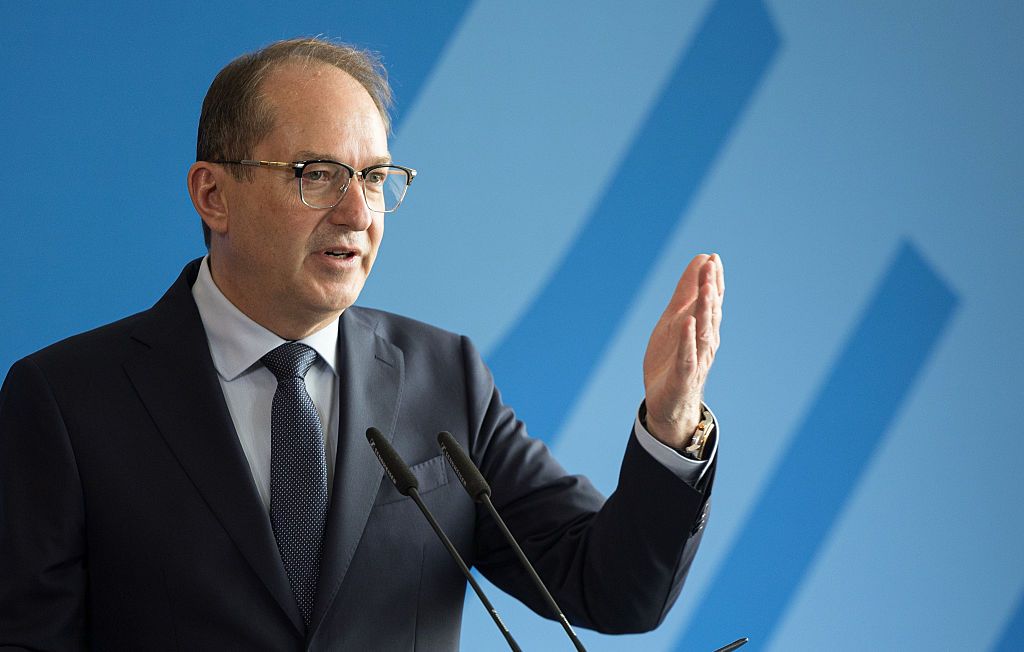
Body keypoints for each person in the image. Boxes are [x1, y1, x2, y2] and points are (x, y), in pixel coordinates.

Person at [0, 38, 724, 650]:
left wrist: (670, 425)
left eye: (374, 178)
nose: (356, 212)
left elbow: (610, 589)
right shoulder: (66, 401)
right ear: (213, 195)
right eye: (316, 175)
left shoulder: (446, 375)